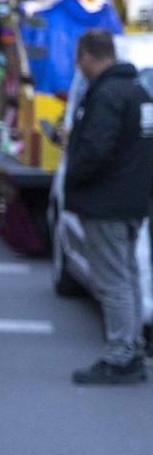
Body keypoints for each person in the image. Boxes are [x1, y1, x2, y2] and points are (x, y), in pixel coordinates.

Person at [64, 29, 153, 384]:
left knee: (113, 281)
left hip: (106, 202)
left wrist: (74, 175)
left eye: (77, 57)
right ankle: (131, 349)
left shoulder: (106, 94)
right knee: (128, 276)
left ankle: (120, 356)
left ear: (87, 54)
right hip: (133, 201)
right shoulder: (138, 92)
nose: (77, 65)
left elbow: (96, 150)